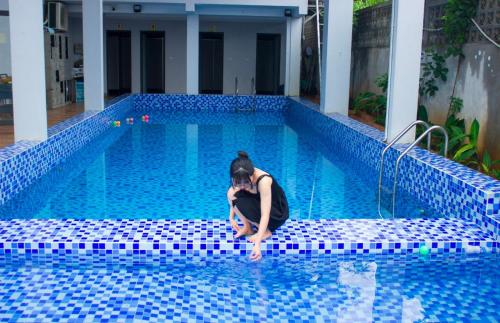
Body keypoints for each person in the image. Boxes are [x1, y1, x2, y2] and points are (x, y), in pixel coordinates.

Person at [227, 151, 289, 261]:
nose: (241, 186)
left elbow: (265, 214)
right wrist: (231, 217)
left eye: (245, 183)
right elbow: (233, 198)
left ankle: (265, 231)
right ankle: (248, 228)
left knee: (235, 193)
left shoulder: (263, 181)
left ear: (252, 175)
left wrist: (257, 245)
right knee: (231, 192)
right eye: (238, 183)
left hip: (276, 213)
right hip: (258, 203)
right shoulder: (241, 174)